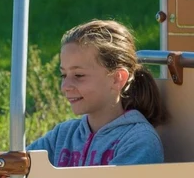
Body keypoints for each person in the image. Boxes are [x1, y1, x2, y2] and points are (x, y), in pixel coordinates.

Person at [29, 19, 166, 166]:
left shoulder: (138, 141)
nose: (65, 86)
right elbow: (13, 170)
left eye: (79, 75)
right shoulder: (62, 136)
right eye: (63, 75)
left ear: (117, 79)